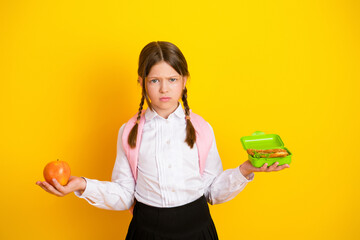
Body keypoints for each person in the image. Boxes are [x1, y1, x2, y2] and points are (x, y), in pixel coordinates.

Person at [36, 41, 290, 240]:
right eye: (155, 81)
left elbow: (212, 192)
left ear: (184, 81)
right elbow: (125, 195)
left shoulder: (201, 128)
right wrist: (81, 185)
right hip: (146, 231)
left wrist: (245, 169)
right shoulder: (129, 131)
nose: (164, 89)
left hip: (197, 229)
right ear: (141, 83)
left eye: (172, 80)